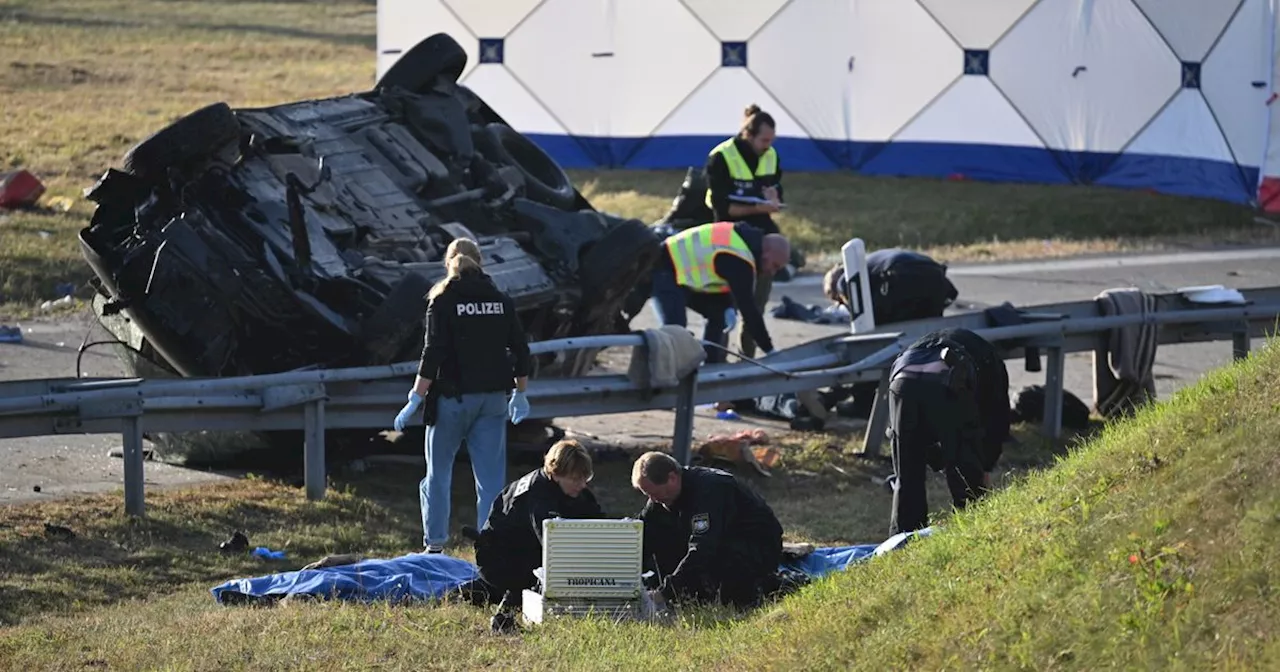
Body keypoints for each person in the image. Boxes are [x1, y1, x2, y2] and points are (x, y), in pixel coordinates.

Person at [392, 237, 533, 553]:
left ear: (448, 263)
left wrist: (415, 397)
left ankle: (435, 545)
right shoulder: (501, 300)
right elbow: (521, 351)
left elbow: (433, 353)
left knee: (437, 477)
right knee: (491, 482)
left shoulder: (442, 301)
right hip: (494, 401)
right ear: (480, 262)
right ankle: (490, 546)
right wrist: (521, 393)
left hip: (451, 402)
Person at [464, 439, 605, 633]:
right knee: (535, 579)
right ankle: (505, 613)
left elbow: (598, 523)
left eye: (585, 479)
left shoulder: (571, 489)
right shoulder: (538, 497)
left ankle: (479, 592)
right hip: (500, 559)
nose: (582, 485)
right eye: (576, 479)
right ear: (556, 473)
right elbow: (554, 548)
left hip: (521, 551)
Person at [884, 327, 1010, 535]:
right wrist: (985, 466)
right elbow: (997, 419)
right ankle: (973, 535)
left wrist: (933, 456)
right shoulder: (991, 363)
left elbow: (916, 429)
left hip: (902, 379)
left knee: (906, 476)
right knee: (964, 473)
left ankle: (903, 544)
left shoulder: (929, 342)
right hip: (949, 379)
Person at [631, 451, 784, 610]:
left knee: (726, 590)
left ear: (672, 478)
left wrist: (665, 593)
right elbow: (642, 532)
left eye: (654, 493)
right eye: (649, 495)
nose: (654, 499)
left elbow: (703, 547)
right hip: (718, 541)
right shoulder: (662, 498)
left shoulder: (710, 490)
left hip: (755, 547)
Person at [704, 104, 785, 359]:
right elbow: (723, 207)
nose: (767, 146)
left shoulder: (771, 155)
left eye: (771, 140)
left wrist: (774, 198)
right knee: (724, 309)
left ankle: (746, 360)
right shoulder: (721, 157)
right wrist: (759, 207)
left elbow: (776, 191)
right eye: (763, 140)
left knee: (755, 309)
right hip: (730, 240)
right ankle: (717, 362)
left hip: (762, 239)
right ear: (747, 135)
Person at [649, 220, 790, 364]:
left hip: (680, 272)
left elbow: (720, 273)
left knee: (718, 314)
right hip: (664, 268)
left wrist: (727, 305)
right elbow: (748, 310)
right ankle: (664, 374)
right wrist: (769, 350)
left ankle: (710, 367)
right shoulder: (740, 258)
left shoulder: (742, 242)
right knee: (675, 329)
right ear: (767, 251)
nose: (772, 272)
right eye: (775, 266)